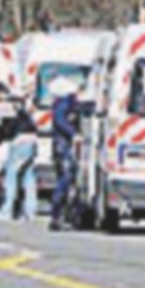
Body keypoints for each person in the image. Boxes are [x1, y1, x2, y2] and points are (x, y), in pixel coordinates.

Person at [0, 83, 39, 222]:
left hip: (19, 141)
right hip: (32, 140)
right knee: (28, 177)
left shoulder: (5, 106)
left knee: (11, 176)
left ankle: (6, 211)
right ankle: (30, 212)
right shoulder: (19, 103)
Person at [49, 77, 82, 231]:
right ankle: (58, 213)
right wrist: (73, 133)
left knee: (66, 180)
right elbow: (60, 120)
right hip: (64, 146)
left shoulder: (61, 103)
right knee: (66, 180)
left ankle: (60, 214)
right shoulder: (64, 103)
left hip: (60, 146)